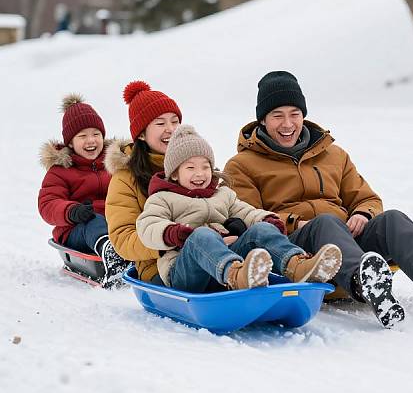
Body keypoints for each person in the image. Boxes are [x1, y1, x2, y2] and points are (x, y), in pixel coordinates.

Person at [224, 71, 413, 328]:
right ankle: (366, 283)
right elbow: (248, 219)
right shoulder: (242, 165)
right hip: (295, 250)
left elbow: (367, 198)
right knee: (325, 222)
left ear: (303, 115)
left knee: (391, 220)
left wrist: (363, 214)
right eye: (277, 116)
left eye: (295, 114)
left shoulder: (333, 155)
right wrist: (297, 223)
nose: (287, 124)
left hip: (343, 237)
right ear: (262, 120)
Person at [136, 124, 342, 292]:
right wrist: (172, 232)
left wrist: (267, 220)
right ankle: (236, 276)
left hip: (224, 266)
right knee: (201, 235)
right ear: (174, 173)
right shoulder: (162, 198)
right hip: (185, 272)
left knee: (260, 229)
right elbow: (147, 226)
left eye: (205, 167)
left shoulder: (222, 194)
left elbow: (247, 211)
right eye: (190, 168)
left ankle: (296, 265)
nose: (200, 174)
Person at [38, 94, 128, 288]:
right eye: (82, 136)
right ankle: (112, 255)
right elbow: (48, 203)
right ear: (70, 142)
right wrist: (71, 211)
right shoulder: (61, 171)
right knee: (93, 220)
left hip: (116, 224)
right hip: (78, 228)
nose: (91, 141)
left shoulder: (115, 164)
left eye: (96, 134)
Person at [105, 81, 183, 284]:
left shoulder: (193, 164)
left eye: (175, 121)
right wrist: (167, 240)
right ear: (141, 133)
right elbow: (122, 237)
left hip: (213, 251)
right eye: (160, 123)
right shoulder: (125, 179)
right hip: (159, 266)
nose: (171, 129)